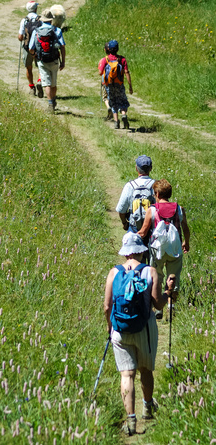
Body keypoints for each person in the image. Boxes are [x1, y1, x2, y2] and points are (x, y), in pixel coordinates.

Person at [104, 232, 176, 435]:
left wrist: (110, 327)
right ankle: (147, 408)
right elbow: (158, 303)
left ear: (126, 253)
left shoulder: (114, 273)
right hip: (144, 327)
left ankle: (131, 421)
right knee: (145, 370)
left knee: (127, 374)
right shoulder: (150, 271)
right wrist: (168, 292)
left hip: (120, 329)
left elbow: (107, 305)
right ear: (141, 252)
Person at [138, 179, 190, 319]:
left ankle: (158, 308)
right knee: (173, 277)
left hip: (157, 250)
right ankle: (171, 307)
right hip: (175, 249)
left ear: (157, 193)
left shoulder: (152, 210)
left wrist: (132, 238)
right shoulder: (179, 208)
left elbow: (143, 232)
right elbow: (185, 228)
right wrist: (186, 242)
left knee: (157, 277)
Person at [29, 9, 66, 113]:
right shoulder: (57, 30)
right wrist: (63, 62)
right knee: (53, 83)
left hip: (42, 61)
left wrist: (34, 55)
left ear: (42, 20)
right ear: (51, 20)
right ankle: (53, 100)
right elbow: (62, 47)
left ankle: (50, 105)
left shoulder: (36, 31)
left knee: (47, 84)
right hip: (54, 60)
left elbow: (31, 48)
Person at [116, 155, 155, 246]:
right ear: (151, 168)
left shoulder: (130, 186)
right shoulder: (156, 185)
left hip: (134, 227)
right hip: (152, 228)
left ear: (136, 168)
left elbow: (121, 210)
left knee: (134, 257)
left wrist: (125, 223)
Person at [98, 39, 133, 129]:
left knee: (113, 102)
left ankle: (116, 122)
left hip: (109, 85)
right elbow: (126, 72)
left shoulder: (105, 59)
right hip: (119, 84)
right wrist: (130, 86)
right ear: (117, 49)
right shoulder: (122, 59)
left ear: (108, 49)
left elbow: (100, 72)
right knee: (123, 101)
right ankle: (124, 114)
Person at [18, 1, 43, 98]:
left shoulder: (24, 20)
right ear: (36, 9)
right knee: (41, 67)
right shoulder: (40, 19)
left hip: (27, 47)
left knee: (29, 67)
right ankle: (40, 81)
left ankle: (32, 88)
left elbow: (20, 37)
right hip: (38, 47)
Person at [98, 42, 112, 121]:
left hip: (105, 81)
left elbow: (100, 73)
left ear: (104, 50)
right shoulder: (118, 59)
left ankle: (108, 107)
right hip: (115, 81)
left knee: (105, 97)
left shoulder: (103, 60)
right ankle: (112, 114)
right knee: (112, 96)